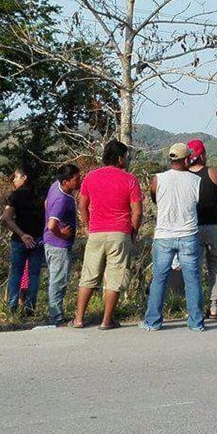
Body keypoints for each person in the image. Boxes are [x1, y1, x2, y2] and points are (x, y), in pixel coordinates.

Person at [73, 140, 142, 330]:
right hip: (119, 233)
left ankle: (78, 319)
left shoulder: (90, 177)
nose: (127, 160)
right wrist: (133, 232)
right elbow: (137, 211)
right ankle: (106, 321)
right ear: (120, 158)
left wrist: (88, 226)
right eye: (126, 157)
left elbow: (82, 205)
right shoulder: (130, 179)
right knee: (115, 277)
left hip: (96, 232)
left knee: (88, 276)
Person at [141, 143, 206, 332]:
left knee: (159, 279)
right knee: (192, 279)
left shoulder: (157, 179)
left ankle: (153, 321)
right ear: (186, 160)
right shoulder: (195, 180)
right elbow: (197, 202)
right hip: (188, 234)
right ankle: (196, 323)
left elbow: (155, 199)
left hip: (164, 235)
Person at [186, 139, 217, 319]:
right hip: (213, 226)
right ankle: (214, 306)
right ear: (202, 155)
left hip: (192, 227)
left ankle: (195, 307)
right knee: (215, 267)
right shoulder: (213, 173)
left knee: (194, 269)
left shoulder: (184, 176)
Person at [2, 163, 46, 315]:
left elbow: (7, 218)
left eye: (16, 177)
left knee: (16, 274)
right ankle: (30, 308)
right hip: (38, 238)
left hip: (20, 239)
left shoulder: (16, 195)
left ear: (24, 177)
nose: (14, 180)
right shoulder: (41, 194)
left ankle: (12, 308)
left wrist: (22, 235)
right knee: (34, 275)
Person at [44, 164, 81, 326]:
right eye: (76, 179)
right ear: (66, 182)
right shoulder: (62, 200)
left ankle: (56, 316)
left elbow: (46, 203)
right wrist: (61, 233)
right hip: (58, 245)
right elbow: (52, 225)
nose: (79, 180)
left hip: (51, 243)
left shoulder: (55, 186)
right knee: (58, 282)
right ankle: (56, 318)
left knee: (56, 280)